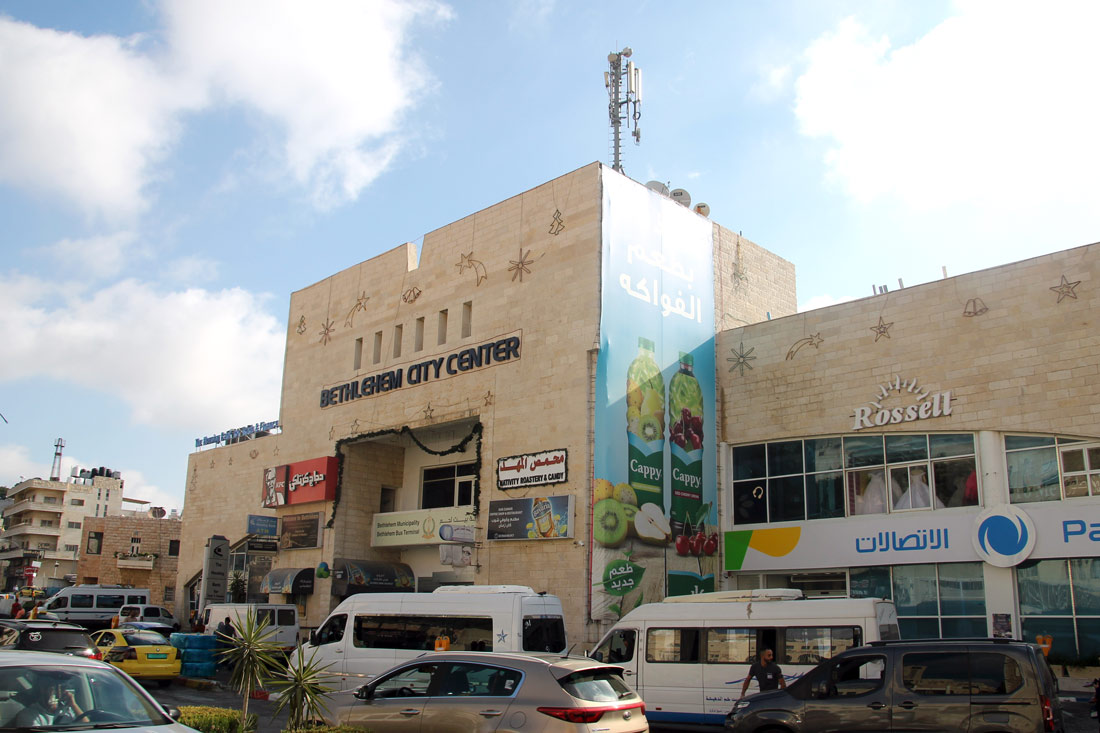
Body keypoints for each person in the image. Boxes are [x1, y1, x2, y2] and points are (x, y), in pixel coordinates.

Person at [14, 679, 85, 727]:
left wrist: (74, 705)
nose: (58, 692)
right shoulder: (28, 714)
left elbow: (87, 725)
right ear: (42, 690)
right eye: (53, 688)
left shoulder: (67, 710)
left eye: (62, 688)